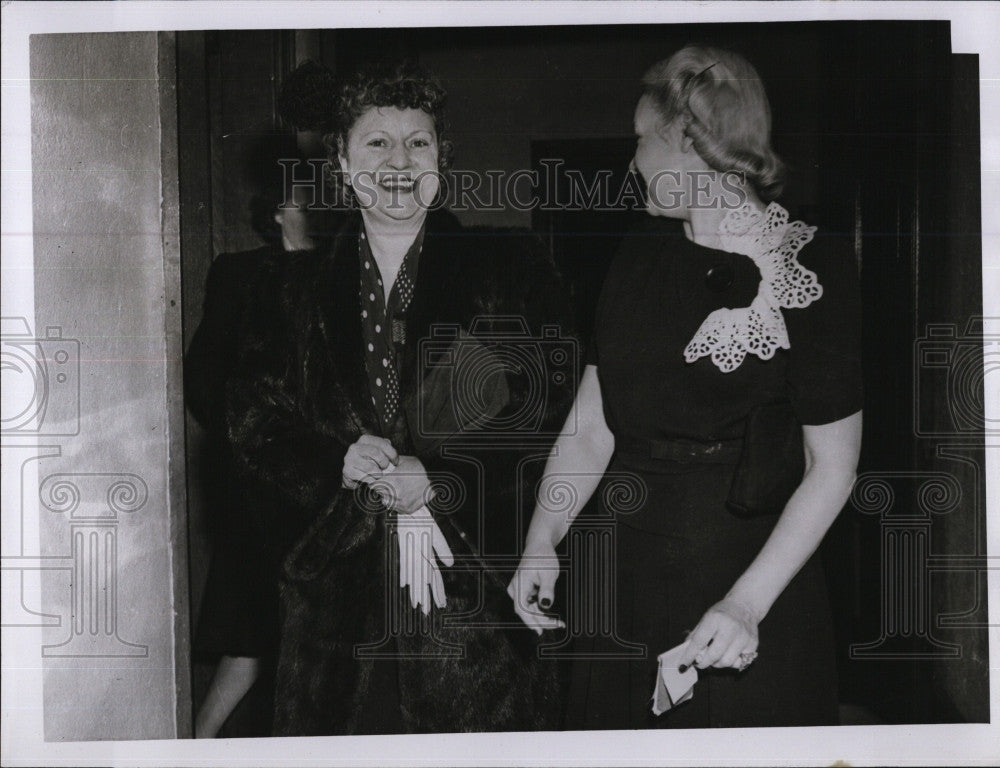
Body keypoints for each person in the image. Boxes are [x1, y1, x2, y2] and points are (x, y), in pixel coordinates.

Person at [509, 44, 863, 729]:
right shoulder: (638, 253)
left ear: (691, 141)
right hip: (629, 572)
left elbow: (833, 466)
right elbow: (592, 426)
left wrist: (745, 605)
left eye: (643, 140)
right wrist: (541, 536)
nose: (632, 159)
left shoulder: (813, 265)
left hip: (756, 577)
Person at [224, 60, 574, 735]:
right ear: (344, 166)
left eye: (419, 142)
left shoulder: (509, 269)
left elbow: (544, 411)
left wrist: (438, 481)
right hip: (336, 601)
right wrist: (337, 463)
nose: (400, 161)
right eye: (377, 143)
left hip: (473, 592)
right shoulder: (285, 291)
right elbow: (253, 422)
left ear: (443, 160)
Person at [187, 147, 335, 738]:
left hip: (335, 482)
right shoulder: (238, 275)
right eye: (304, 201)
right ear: (276, 211)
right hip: (265, 485)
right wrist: (258, 438)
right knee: (253, 632)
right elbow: (205, 382)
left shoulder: (351, 275)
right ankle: (195, 745)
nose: (318, 212)